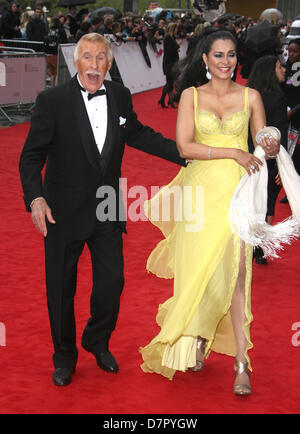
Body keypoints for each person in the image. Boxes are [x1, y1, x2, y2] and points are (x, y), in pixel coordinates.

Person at [19, 33, 187, 387]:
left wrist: (184, 154)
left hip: (108, 206)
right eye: (87, 58)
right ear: (75, 62)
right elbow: (31, 156)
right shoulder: (52, 101)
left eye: (101, 59)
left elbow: (138, 134)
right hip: (60, 210)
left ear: (109, 64)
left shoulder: (120, 96)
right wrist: (36, 198)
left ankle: (97, 339)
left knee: (112, 282)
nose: (94, 65)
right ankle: (64, 355)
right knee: (61, 288)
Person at [139, 30, 279, 395]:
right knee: (197, 272)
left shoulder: (251, 96)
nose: (225, 62)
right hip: (198, 195)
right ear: (204, 59)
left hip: (236, 196)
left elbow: (264, 139)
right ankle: (198, 340)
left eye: (231, 55)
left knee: (235, 278)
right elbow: (185, 147)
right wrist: (232, 151)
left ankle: (241, 362)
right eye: (218, 55)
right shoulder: (190, 96)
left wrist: (271, 141)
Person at [247, 55, 288, 264]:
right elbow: (278, 134)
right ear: (270, 72)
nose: (284, 69)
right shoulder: (277, 98)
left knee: (252, 200)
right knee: (269, 200)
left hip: (247, 156)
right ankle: (260, 247)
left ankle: (249, 242)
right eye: (281, 67)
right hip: (269, 158)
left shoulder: (247, 95)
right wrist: (283, 166)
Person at [158, 22, 180, 109]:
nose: (177, 30)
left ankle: (168, 100)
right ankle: (163, 99)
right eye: (176, 28)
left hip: (172, 62)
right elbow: (169, 50)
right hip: (169, 63)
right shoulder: (168, 38)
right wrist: (177, 46)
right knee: (170, 83)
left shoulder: (171, 37)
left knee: (170, 83)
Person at [44, 17, 67, 87]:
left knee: (52, 73)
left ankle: (52, 88)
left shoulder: (48, 31)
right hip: (57, 54)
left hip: (48, 54)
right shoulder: (61, 30)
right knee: (58, 72)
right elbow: (65, 41)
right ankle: (57, 89)